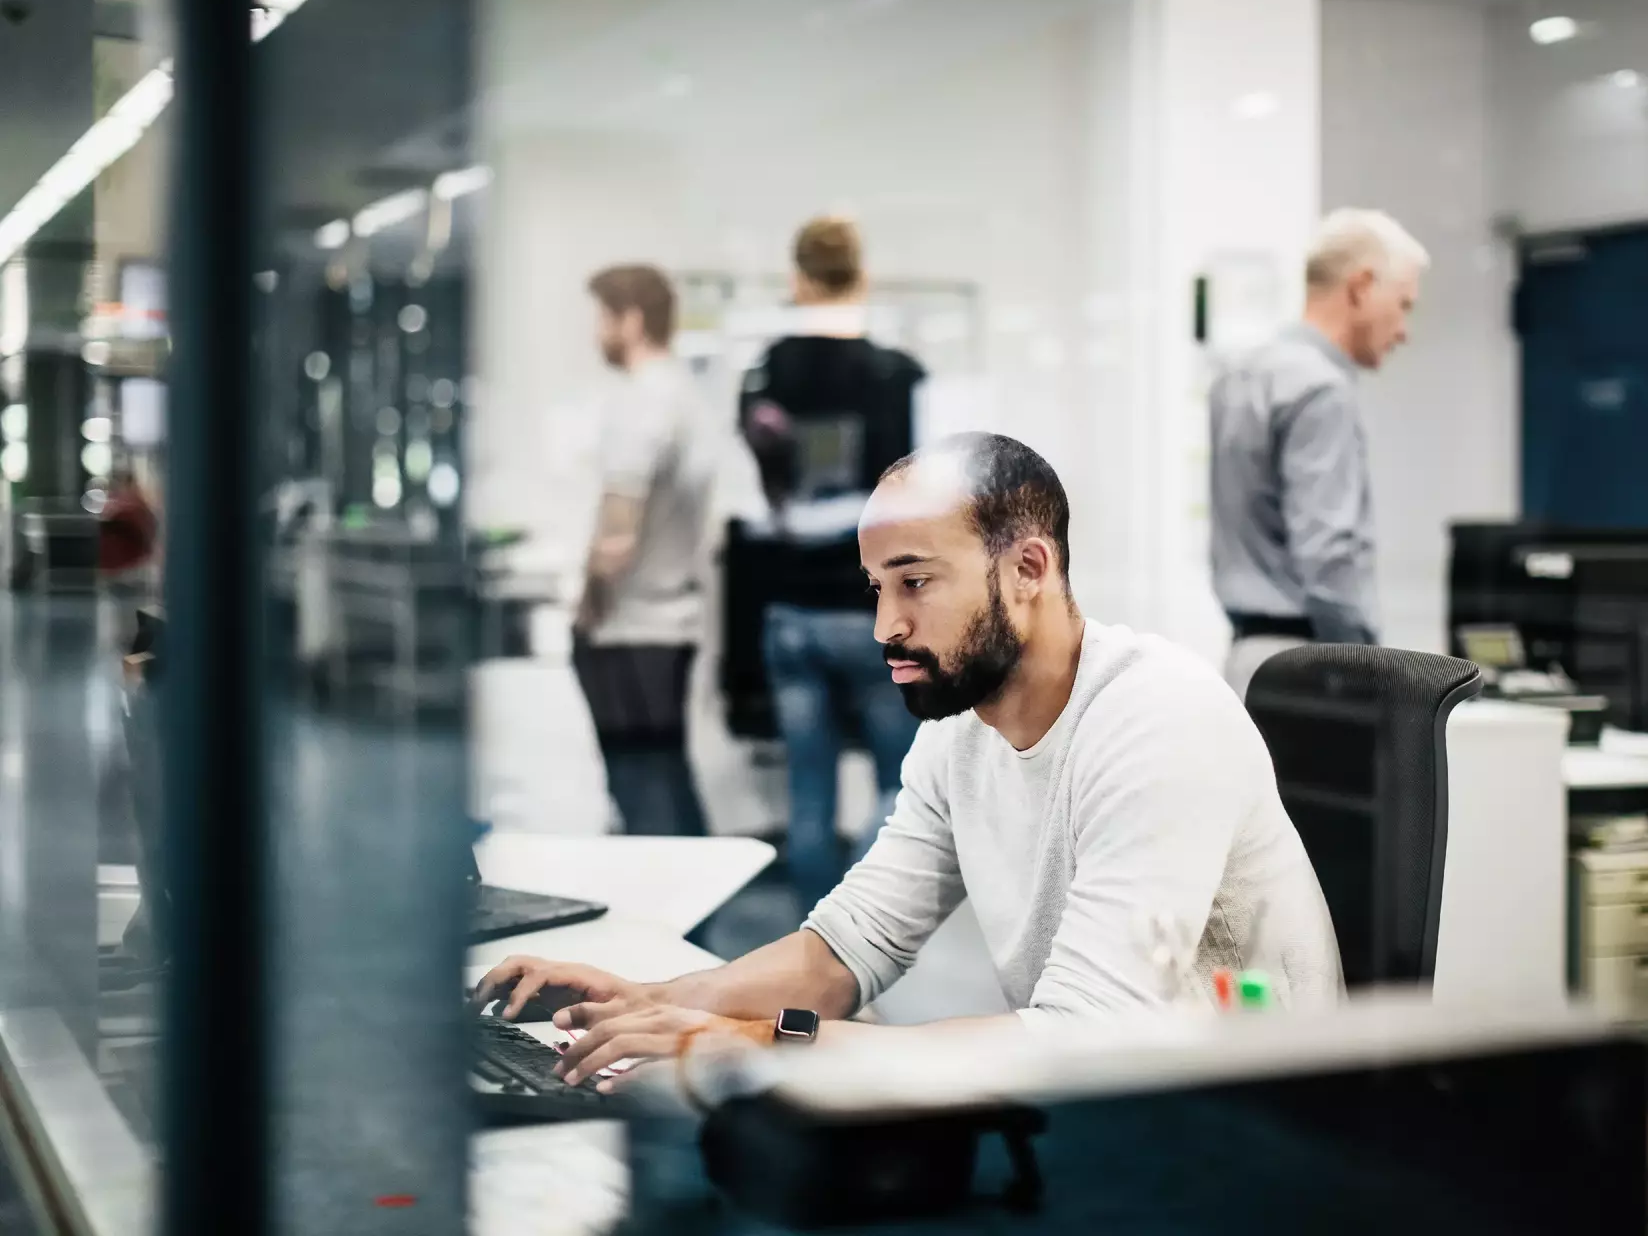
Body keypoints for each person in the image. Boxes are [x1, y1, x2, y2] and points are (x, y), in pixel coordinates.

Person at [476, 433, 1342, 1079]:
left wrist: (742, 1040)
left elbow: (1079, 1043)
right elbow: (838, 958)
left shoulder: (1156, 720)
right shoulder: (960, 735)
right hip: (1110, 1122)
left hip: (1245, 1139)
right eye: (877, 589)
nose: (885, 626)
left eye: (916, 582)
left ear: (1028, 568)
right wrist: (644, 1001)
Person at [739, 216, 925, 905]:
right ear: (862, 276)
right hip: (873, 609)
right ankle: (864, 934)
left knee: (808, 793)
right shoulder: (897, 376)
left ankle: (813, 942)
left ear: (797, 279)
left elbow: (755, 494)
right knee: (897, 787)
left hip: (790, 610)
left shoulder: (765, 374)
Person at [1210, 208, 1428, 698]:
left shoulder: (1240, 375)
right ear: (1362, 287)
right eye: (1404, 304)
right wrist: (1369, 669)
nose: (1403, 330)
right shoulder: (1322, 390)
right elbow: (1328, 558)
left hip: (1247, 662)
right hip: (1312, 668)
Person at [573, 264, 718, 836]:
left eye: (601, 318)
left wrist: (586, 607)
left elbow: (615, 535)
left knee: (645, 796)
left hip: (630, 631)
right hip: (668, 623)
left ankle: (671, 927)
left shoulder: (642, 402)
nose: (595, 334)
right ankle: (692, 926)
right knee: (664, 783)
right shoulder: (685, 395)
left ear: (630, 321)